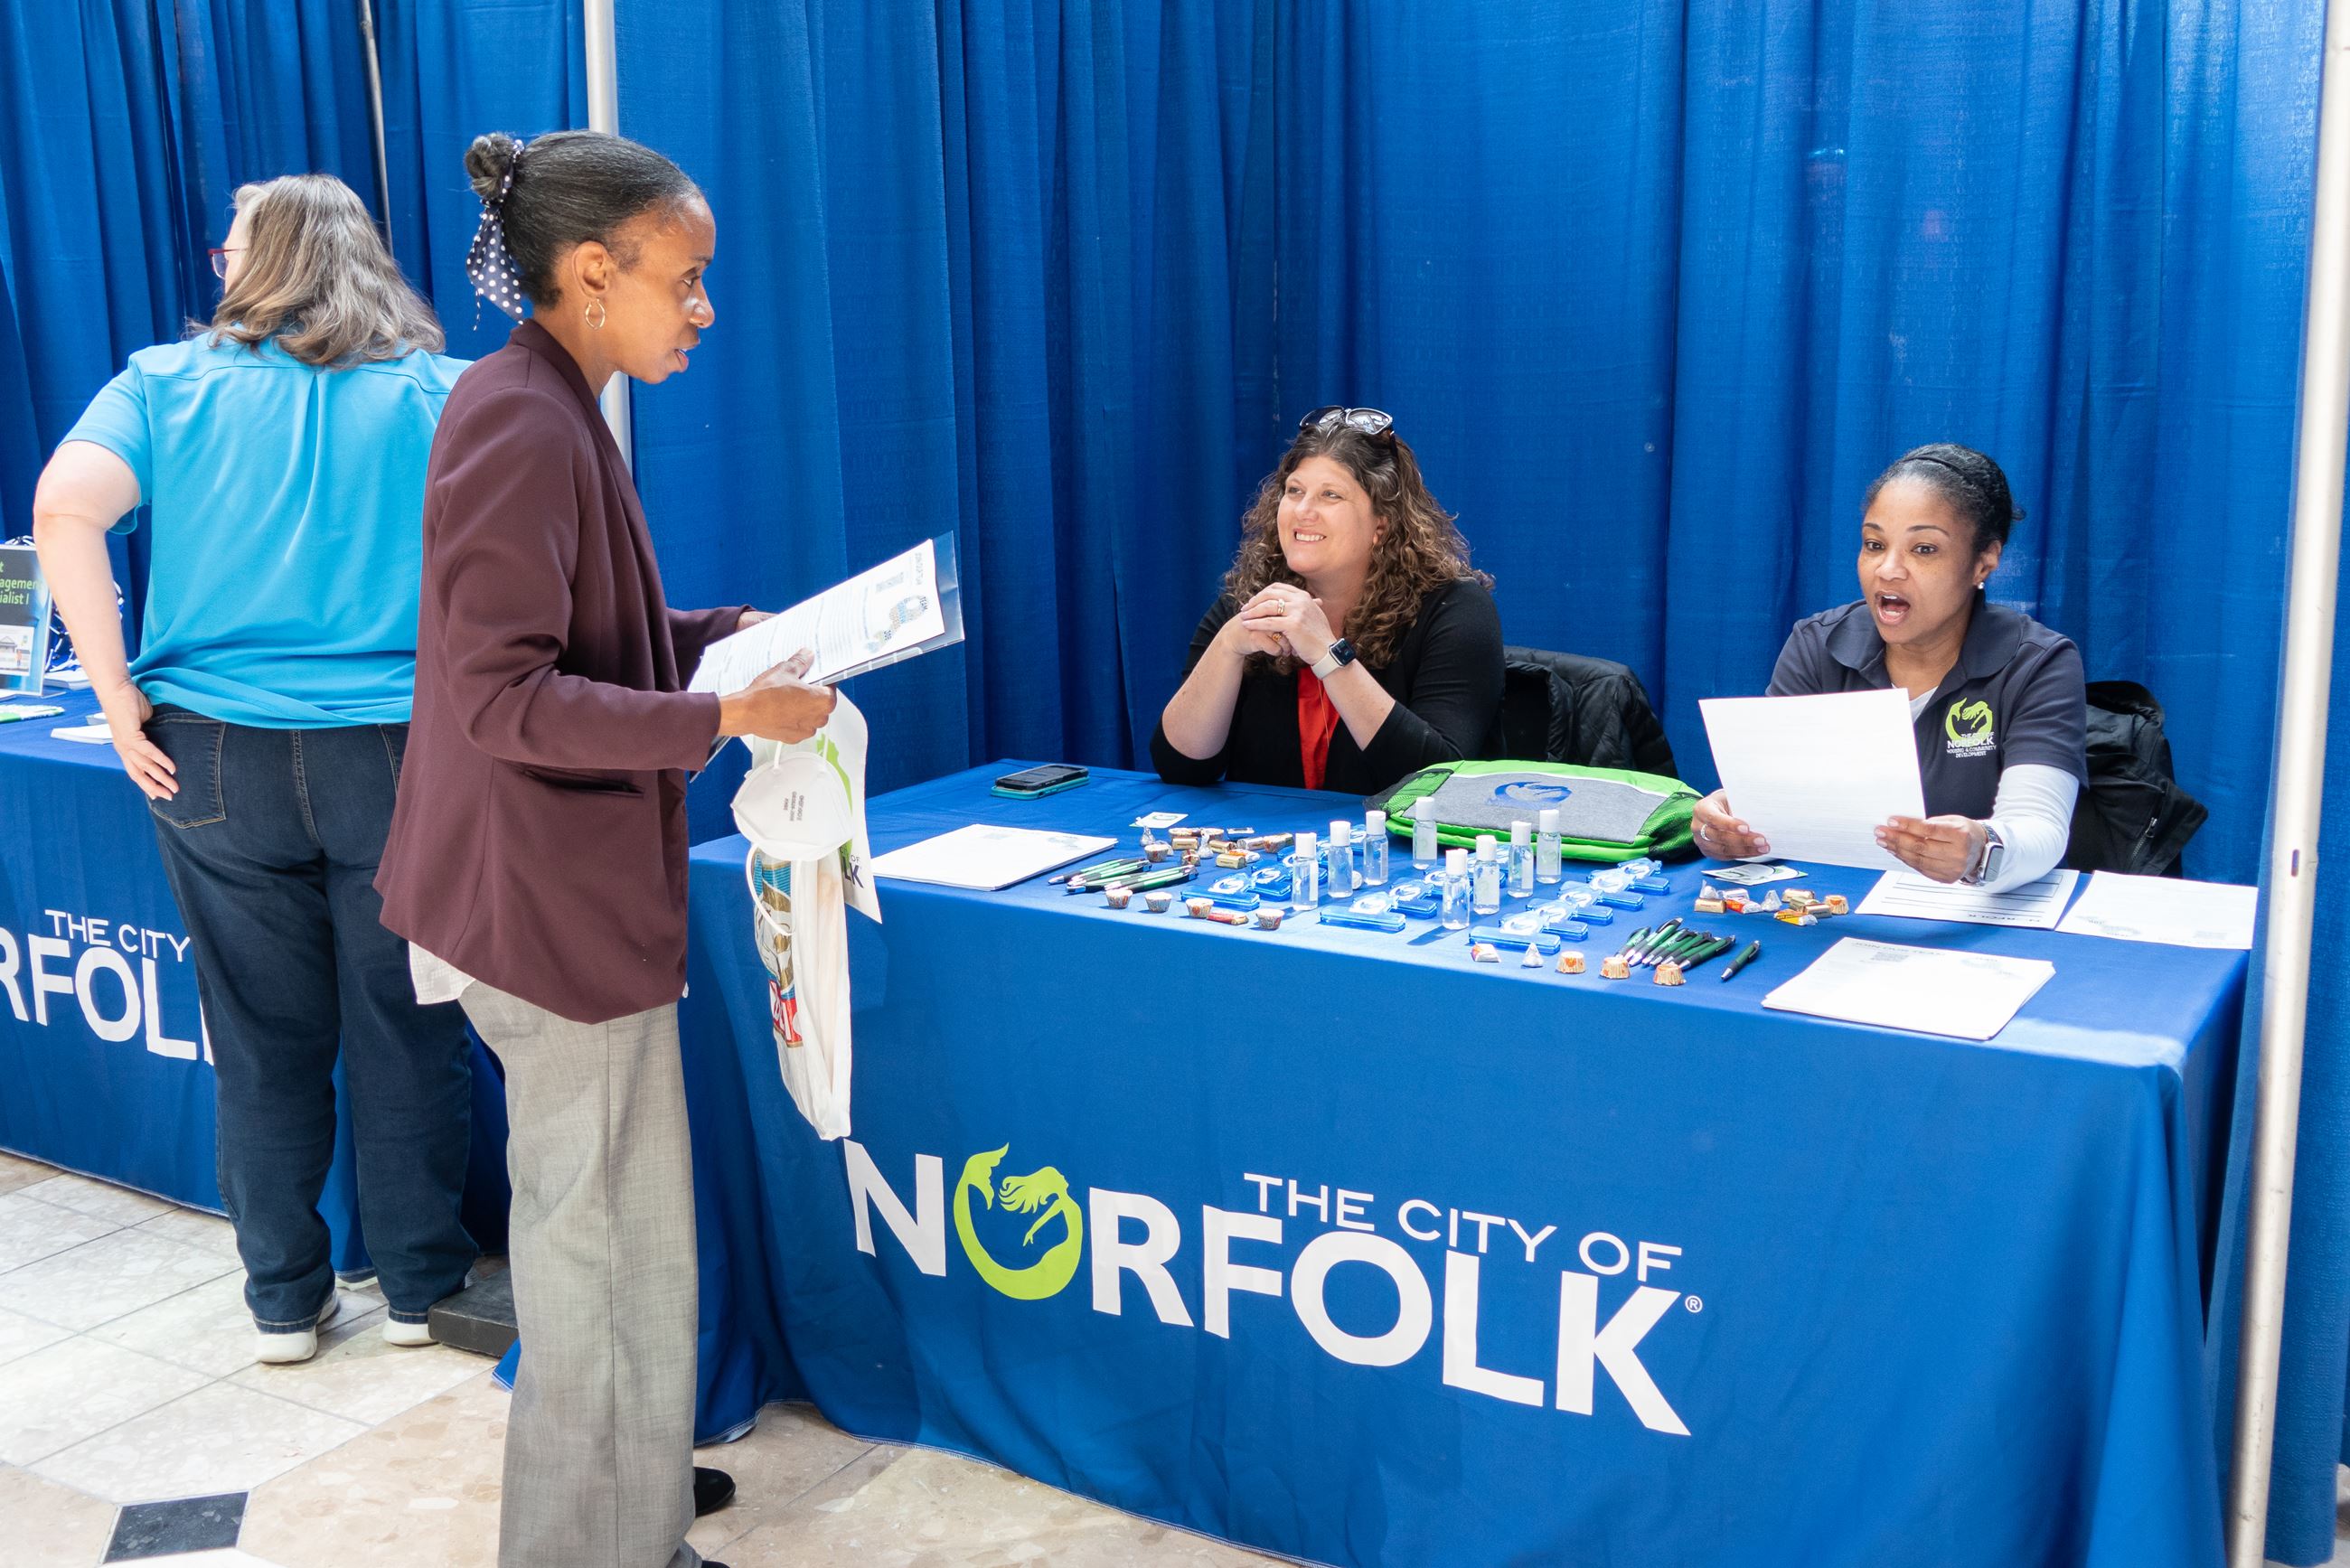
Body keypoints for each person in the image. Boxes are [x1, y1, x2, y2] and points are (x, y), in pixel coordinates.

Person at [376, 129, 831, 1568]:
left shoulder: (558, 402)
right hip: (540, 913)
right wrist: (719, 712)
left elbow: (584, 638)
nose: (703, 307)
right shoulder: (520, 417)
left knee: (634, 1256)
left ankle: (634, 1522)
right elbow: (502, 694)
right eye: (686, 279)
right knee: (593, 1272)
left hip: (557, 899)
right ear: (594, 271)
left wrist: (707, 642)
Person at [31, 174, 475, 1366]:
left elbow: (65, 506)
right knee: (407, 1026)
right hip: (398, 750)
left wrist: (117, 688)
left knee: (263, 1038)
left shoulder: (163, 386)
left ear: (249, 264)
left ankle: (285, 1296)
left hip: (211, 756)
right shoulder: (446, 394)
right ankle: (423, 1286)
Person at [1693, 444, 2087, 889]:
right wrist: (1726, 823)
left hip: (1976, 916)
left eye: (1923, 549)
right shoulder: (1817, 644)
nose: (1889, 570)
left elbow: (2042, 828)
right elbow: (1773, 805)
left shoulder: (2039, 663)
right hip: (1835, 908)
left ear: (1984, 562)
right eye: (1874, 544)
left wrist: (1982, 848)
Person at [1152, 406, 1502, 795]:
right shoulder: (1249, 602)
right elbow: (1180, 767)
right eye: (1294, 491)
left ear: (1380, 526)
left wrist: (1327, 654)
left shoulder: (1454, 610)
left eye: (1330, 495)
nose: (1303, 512)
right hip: (1273, 849)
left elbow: (1434, 784)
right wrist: (1230, 644)